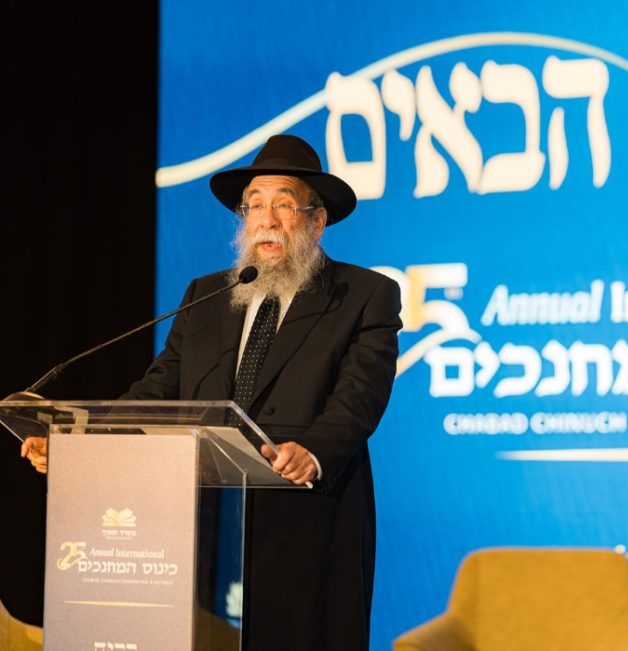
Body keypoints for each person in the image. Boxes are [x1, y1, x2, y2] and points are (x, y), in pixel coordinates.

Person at [21, 133, 403, 650]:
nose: (267, 220)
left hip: (307, 515)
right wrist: (76, 446)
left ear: (316, 220)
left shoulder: (364, 295)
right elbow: (157, 392)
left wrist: (313, 451)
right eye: (255, 205)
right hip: (203, 522)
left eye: (284, 204)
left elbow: (360, 396)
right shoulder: (207, 295)